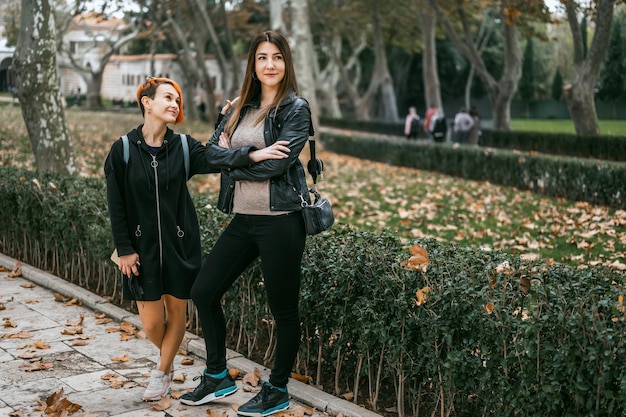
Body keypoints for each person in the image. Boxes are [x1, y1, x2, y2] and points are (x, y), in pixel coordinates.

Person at [181, 30, 313, 416]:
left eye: (276, 57)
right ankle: (219, 376)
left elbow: (278, 164)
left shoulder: (295, 109)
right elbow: (209, 154)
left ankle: (277, 389)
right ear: (252, 65)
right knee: (203, 292)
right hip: (244, 220)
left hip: (281, 222)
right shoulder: (241, 106)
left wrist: (236, 161)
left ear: (286, 63)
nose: (269, 64)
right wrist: (250, 156)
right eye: (261, 58)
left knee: (283, 310)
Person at [103, 77, 221, 402]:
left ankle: (161, 372)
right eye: (168, 97)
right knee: (153, 323)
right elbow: (116, 205)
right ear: (147, 102)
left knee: (177, 311)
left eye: (178, 100)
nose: (174, 104)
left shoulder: (184, 147)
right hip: (140, 251)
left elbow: (217, 157)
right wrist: (125, 250)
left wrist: (228, 126)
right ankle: (168, 362)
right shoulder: (122, 150)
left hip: (181, 244)